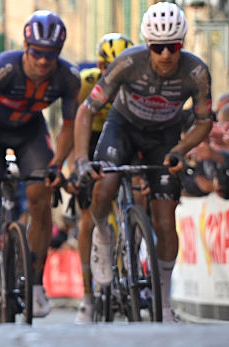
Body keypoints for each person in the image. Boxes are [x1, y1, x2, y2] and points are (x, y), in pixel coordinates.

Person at [73, 2, 213, 323]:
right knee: (104, 185)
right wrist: (82, 160)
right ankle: (102, 236)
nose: (166, 55)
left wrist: (180, 149)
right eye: (158, 47)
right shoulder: (127, 63)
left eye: (173, 47)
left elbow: (204, 122)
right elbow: (87, 111)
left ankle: (163, 302)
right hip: (123, 128)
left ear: (182, 45)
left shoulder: (196, 72)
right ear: (148, 46)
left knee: (165, 220)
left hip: (163, 136)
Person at [0, 10, 77, 319]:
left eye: (50, 55)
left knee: (40, 198)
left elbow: (69, 126)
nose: (42, 61)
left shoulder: (67, 77)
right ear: (26, 48)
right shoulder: (3, 69)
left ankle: (36, 282)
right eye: (37, 52)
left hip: (29, 132)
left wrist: (57, 165)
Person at [71, 32, 132, 323]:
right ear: (99, 65)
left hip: (124, 135)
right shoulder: (86, 82)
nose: (116, 74)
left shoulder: (137, 81)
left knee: (141, 194)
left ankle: (134, 253)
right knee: (87, 218)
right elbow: (72, 126)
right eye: (110, 67)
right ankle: (86, 295)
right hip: (91, 136)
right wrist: (76, 165)